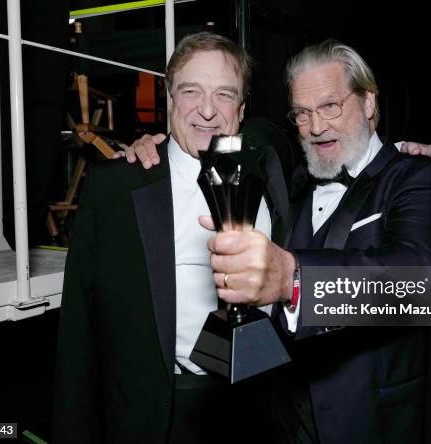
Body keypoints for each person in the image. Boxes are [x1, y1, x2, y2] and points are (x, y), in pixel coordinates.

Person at [52, 31, 291, 444]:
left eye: (224, 95)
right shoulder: (115, 188)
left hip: (255, 406)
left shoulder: (268, 169)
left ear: (242, 107)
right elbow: (78, 332)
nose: (207, 111)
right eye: (191, 91)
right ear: (169, 98)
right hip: (158, 415)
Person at [201, 40, 431, 443]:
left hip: (369, 422)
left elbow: (416, 276)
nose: (315, 126)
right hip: (286, 419)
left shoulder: (415, 176)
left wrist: (293, 279)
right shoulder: (294, 185)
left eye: (330, 106)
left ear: (368, 104)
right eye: (302, 114)